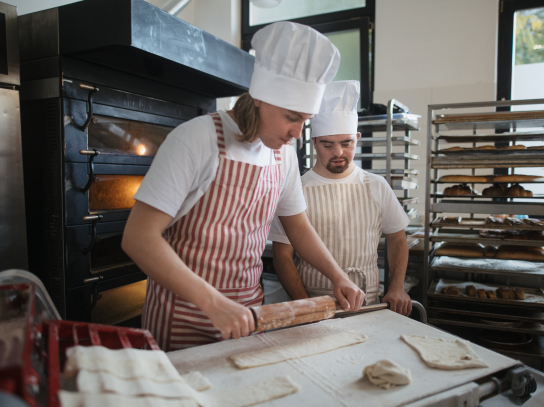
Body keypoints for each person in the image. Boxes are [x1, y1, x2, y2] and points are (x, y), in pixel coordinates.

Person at [122, 22, 366, 351]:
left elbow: (298, 227)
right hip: (184, 318)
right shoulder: (196, 139)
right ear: (262, 99)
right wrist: (213, 303)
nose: (297, 132)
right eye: (292, 117)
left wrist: (338, 276)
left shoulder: (284, 155)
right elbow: (138, 238)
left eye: (304, 121)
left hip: (249, 317)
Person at [268, 80, 412, 316]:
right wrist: (306, 306)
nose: (338, 153)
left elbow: (397, 238)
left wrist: (397, 287)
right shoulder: (297, 188)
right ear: (314, 142)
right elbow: (283, 257)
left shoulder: (376, 186)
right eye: (327, 145)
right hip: (314, 305)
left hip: (368, 305)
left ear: (357, 137)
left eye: (346, 143)